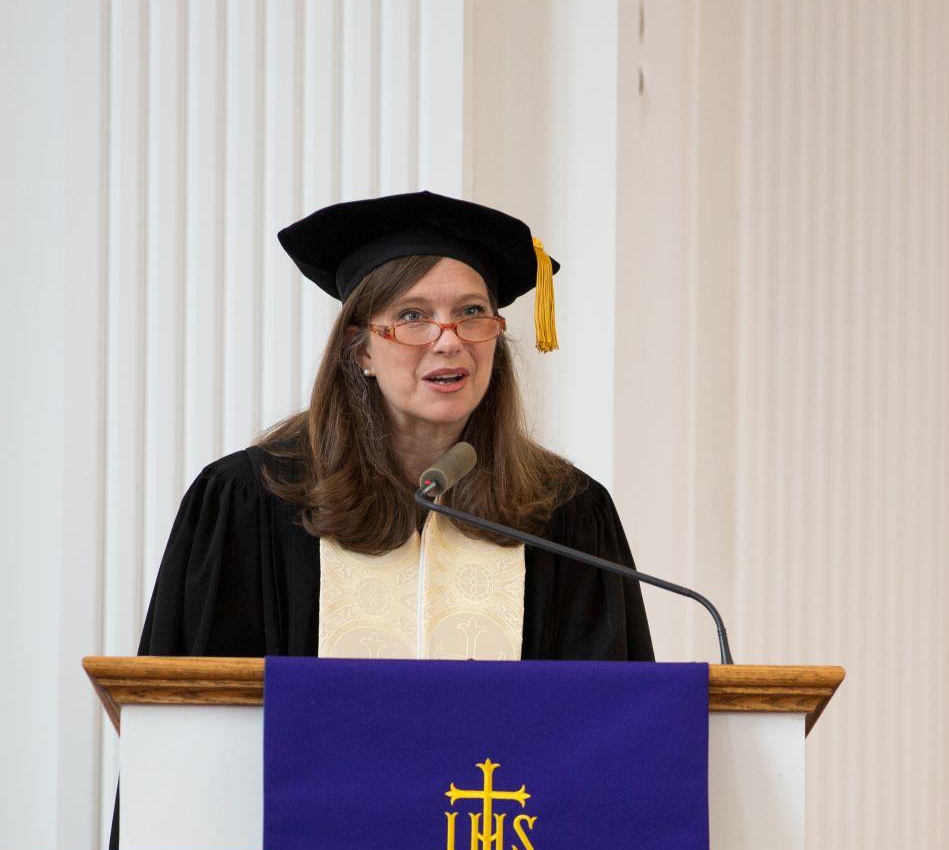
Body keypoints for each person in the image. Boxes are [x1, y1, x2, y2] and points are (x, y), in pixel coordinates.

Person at [138, 190, 654, 662]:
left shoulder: (566, 514)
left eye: (472, 312)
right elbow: (189, 721)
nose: (448, 340)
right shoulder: (250, 501)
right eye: (412, 316)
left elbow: (612, 725)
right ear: (361, 349)